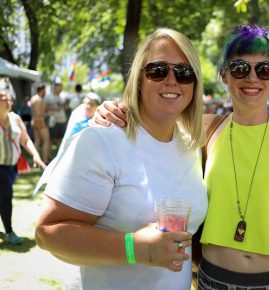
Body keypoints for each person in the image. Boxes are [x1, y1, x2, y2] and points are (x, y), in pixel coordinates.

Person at [95, 24, 269, 289]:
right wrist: (114, 109)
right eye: (240, 68)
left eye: (264, 69)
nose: (252, 78)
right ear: (224, 75)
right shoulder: (204, 129)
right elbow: (154, 117)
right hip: (214, 278)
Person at [35, 28, 208, 290]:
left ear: (194, 84)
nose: (172, 80)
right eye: (158, 70)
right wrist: (134, 248)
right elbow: (48, 232)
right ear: (139, 78)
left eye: (184, 73)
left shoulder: (192, 145)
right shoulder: (103, 140)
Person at [0, 91, 46, 244]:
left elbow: (25, 140)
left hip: (12, 167)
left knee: (3, 195)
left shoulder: (15, 118)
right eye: (3, 99)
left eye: (9, 99)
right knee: (6, 196)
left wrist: (36, 155)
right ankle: (9, 232)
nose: (8, 102)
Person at [45, 82, 67, 157]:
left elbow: (65, 107)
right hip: (52, 121)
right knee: (50, 140)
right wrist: (54, 108)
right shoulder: (48, 97)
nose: (60, 90)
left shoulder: (63, 96)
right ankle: (48, 156)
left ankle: (60, 156)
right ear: (54, 88)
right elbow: (44, 108)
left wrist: (64, 106)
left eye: (61, 88)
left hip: (62, 120)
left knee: (60, 139)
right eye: (59, 88)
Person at [30, 83, 51, 164]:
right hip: (40, 122)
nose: (45, 92)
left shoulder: (33, 98)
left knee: (37, 141)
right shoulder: (39, 99)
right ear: (42, 90)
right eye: (45, 90)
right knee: (46, 140)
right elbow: (39, 114)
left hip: (34, 122)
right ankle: (45, 160)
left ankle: (35, 161)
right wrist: (47, 114)